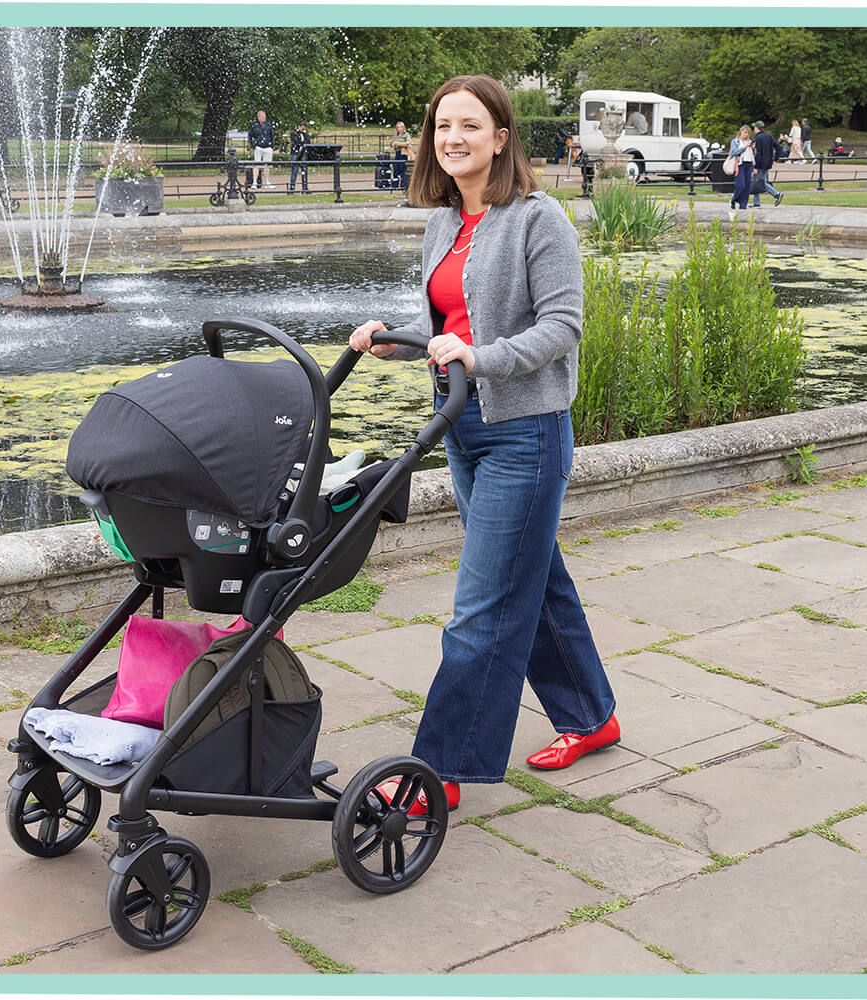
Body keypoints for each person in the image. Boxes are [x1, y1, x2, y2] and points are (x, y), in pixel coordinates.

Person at [347, 74, 620, 815]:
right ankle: (593, 717)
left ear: (501, 137)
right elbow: (448, 327)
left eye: (469, 125)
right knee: (536, 583)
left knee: (485, 607)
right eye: (442, 127)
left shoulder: (540, 219)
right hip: (461, 427)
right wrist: (395, 342)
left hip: (525, 434)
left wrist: (480, 359)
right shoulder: (442, 221)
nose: (453, 139)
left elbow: (562, 328)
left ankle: (441, 769)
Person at [751, 121, 783, 208]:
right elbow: (778, 147)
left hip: (760, 163)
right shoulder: (769, 137)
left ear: (756, 128)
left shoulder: (757, 138)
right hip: (768, 162)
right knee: (759, 181)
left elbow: (757, 153)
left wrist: (755, 165)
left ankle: (776, 194)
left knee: (760, 182)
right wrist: (775, 158)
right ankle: (756, 202)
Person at [728, 124, 754, 220]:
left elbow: (752, 154)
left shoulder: (749, 142)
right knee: (740, 184)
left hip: (748, 164)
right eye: (744, 133)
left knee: (747, 185)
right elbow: (734, 152)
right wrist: (744, 147)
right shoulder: (735, 141)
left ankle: (743, 204)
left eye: (747, 133)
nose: (746, 135)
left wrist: (752, 148)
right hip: (740, 164)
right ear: (741, 132)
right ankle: (733, 200)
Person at [248, 110, 275, 189]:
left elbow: (272, 135)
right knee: (257, 165)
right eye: (262, 116)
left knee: (267, 166)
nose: (264, 118)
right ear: (258, 117)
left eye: (264, 116)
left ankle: (267, 182)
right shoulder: (254, 126)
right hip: (259, 147)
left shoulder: (268, 125)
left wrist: (271, 145)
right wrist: (253, 145)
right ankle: (255, 182)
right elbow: (250, 136)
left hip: (267, 147)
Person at [389, 120, 413, 189]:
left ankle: (403, 185)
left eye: (401, 127)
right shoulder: (396, 136)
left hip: (403, 153)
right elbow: (391, 143)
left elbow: (408, 143)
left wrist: (398, 143)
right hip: (397, 153)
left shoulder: (406, 135)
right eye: (398, 127)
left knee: (403, 169)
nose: (400, 129)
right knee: (396, 169)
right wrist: (392, 144)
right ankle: (395, 185)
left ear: (403, 128)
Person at [288, 121, 310, 193]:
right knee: (294, 170)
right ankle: (292, 187)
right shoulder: (294, 134)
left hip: (303, 154)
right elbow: (296, 142)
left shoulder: (306, 134)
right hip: (296, 153)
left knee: (304, 171)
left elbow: (308, 142)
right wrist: (301, 144)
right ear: (299, 126)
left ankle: (304, 187)